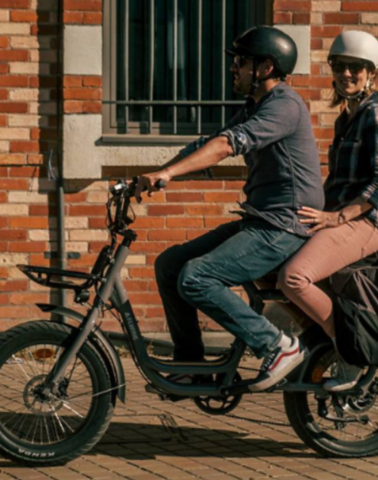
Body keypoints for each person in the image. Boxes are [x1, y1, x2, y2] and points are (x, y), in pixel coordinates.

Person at [135, 26, 325, 392]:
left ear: (266, 68)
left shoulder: (285, 105)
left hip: (284, 226)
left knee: (197, 276)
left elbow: (228, 145)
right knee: (169, 264)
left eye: (241, 61)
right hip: (261, 220)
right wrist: (153, 176)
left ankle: (276, 346)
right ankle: (192, 364)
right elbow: (209, 144)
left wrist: (169, 173)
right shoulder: (258, 106)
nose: (233, 68)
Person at [277, 30, 378, 392]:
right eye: (340, 66)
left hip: (366, 221)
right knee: (267, 268)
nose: (347, 74)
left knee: (294, 278)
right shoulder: (347, 118)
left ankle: (353, 352)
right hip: (342, 216)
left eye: (356, 68)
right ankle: (319, 341)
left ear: (371, 73)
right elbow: (336, 182)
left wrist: (335, 218)